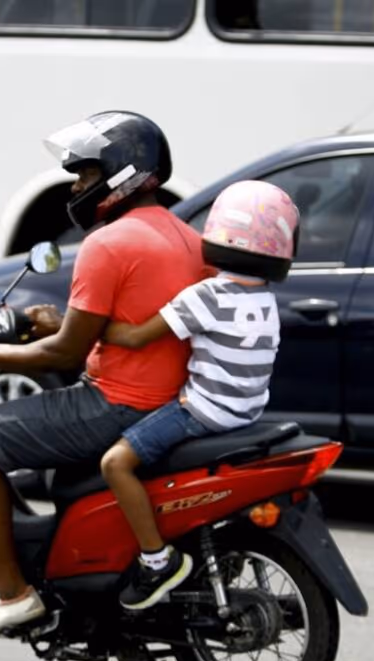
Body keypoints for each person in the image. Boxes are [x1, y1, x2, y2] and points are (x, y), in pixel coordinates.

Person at [0, 110, 208, 651]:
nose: (77, 188)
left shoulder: (108, 243)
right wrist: (65, 324)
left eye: (84, 176)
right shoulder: (185, 237)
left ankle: (9, 592)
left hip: (118, 406)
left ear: (120, 175)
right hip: (169, 402)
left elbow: (64, 352)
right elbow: (138, 324)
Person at [98, 179, 299, 610]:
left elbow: (135, 337)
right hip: (246, 413)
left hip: (203, 412)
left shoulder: (208, 295)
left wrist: (91, 326)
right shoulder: (265, 299)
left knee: (115, 463)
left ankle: (156, 561)